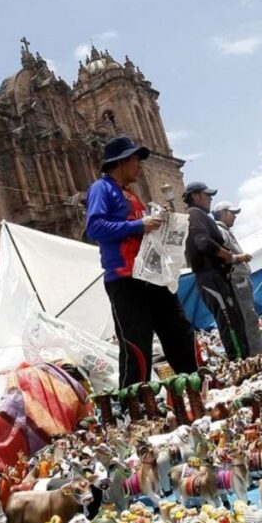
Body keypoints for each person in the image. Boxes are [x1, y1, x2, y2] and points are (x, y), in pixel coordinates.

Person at [85, 136, 198, 387]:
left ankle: (194, 385)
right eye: (136, 159)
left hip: (151, 275)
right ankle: (136, 404)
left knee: (178, 329)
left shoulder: (131, 194)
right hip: (125, 278)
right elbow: (94, 227)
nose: (139, 165)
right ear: (122, 162)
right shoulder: (101, 189)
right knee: (137, 342)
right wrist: (139, 225)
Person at [184, 182, 250, 360]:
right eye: (207, 195)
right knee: (228, 320)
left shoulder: (201, 216)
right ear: (196, 196)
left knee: (234, 318)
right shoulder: (194, 214)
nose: (210, 198)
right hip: (210, 275)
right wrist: (225, 254)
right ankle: (238, 360)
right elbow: (202, 241)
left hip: (218, 275)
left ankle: (245, 358)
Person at [213, 201, 262, 355]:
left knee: (249, 316)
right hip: (237, 279)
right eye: (232, 213)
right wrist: (238, 258)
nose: (235, 216)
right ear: (222, 213)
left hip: (240, 278)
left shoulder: (226, 231)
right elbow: (221, 254)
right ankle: (256, 355)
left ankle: (256, 353)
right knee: (248, 317)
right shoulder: (220, 231)